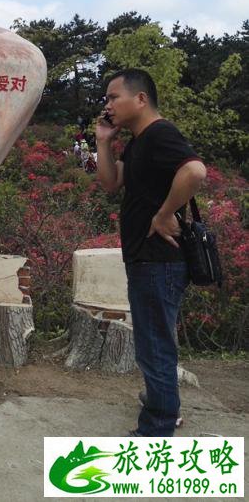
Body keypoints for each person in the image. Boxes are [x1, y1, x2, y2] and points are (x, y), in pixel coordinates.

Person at [95, 68, 206, 437]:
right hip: (146, 258)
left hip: (159, 260)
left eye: (114, 97)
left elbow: (195, 171)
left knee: (154, 345)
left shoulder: (161, 133)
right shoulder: (139, 140)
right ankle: (163, 405)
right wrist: (103, 142)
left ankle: (156, 428)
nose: (108, 104)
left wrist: (163, 214)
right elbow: (111, 183)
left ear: (140, 99)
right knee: (154, 340)